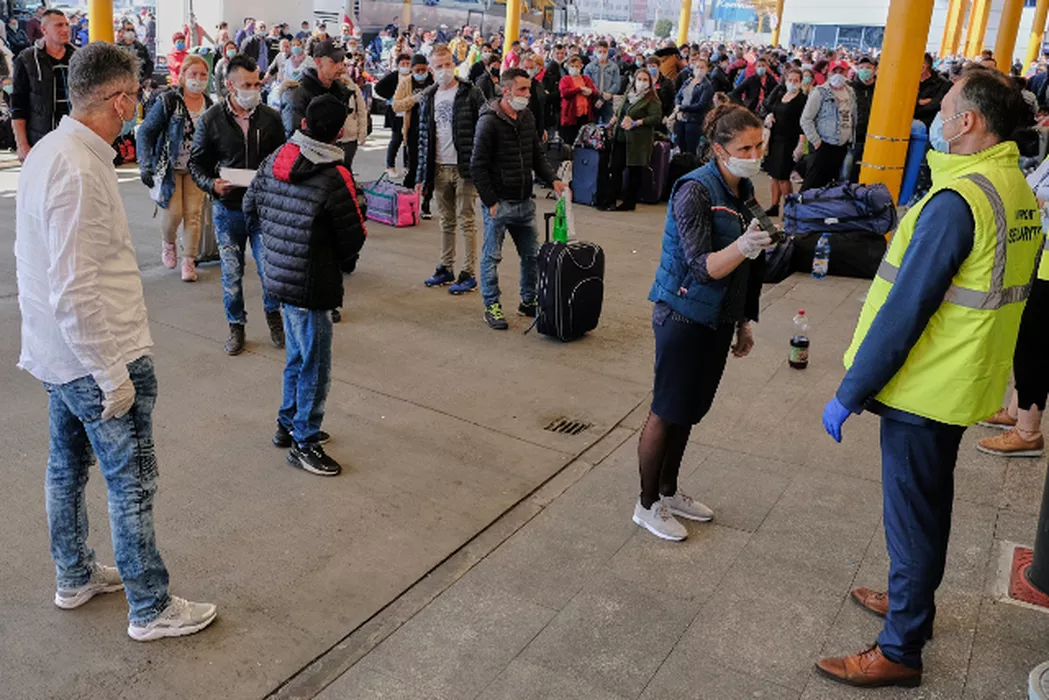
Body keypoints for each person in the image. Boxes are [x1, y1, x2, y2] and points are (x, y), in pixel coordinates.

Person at [817, 69, 1041, 688]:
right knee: (929, 504)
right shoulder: (1014, 188)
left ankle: (900, 649)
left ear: (968, 121)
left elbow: (905, 309)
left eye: (945, 110)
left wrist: (850, 391)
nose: (937, 119)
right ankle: (911, 602)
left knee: (912, 517)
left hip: (927, 385)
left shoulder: (958, 200)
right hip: (964, 377)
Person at [15, 40, 217, 644]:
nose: (137, 107)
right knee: (132, 482)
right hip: (96, 358)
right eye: (135, 97)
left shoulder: (51, 151)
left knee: (67, 468)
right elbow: (75, 290)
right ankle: (150, 607)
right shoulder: (78, 170)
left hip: (59, 355)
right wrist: (112, 375)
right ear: (120, 100)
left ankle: (75, 574)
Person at [637, 103, 768, 541]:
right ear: (718, 149)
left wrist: (742, 320)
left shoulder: (743, 189)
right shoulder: (694, 190)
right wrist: (743, 246)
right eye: (745, 148)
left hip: (717, 317)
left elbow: (749, 266)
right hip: (682, 312)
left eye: (759, 145)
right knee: (666, 410)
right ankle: (646, 504)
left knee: (689, 411)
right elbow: (701, 267)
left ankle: (669, 491)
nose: (755, 154)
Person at [246, 94, 366, 476]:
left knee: (298, 356)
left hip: (278, 275)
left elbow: (250, 207)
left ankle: (288, 424)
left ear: (303, 124)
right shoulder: (336, 175)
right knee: (315, 364)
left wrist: (276, 249)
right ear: (340, 133)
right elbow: (354, 236)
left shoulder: (275, 159)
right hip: (313, 283)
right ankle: (305, 440)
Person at [188, 54, 287, 356]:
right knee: (231, 275)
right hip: (228, 209)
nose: (253, 90)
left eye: (257, 84)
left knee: (270, 271)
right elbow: (196, 164)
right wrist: (212, 184)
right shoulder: (211, 120)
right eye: (247, 85)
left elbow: (282, 160)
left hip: (263, 209)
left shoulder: (270, 118)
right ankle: (236, 326)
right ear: (230, 86)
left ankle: (274, 318)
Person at [471, 68, 567, 331]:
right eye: (522, 89)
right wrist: (491, 202)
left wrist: (553, 179)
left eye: (528, 89)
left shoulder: (527, 117)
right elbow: (477, 166)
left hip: (525, 201)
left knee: (532, 256)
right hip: (499, 203)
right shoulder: (488, 122)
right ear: (506, 91)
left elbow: (536, 155)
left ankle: (528, 300)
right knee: (492, 257)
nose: (527, 94)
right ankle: (492, 305)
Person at [416, 44, 485, 294]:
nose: (444, 70)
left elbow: (484, 129)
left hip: (465, 168)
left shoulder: (471, 92)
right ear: (431, 69)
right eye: (439, 66)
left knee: (467, 221)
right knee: (446, 221)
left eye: (447, 64)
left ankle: (469, 272)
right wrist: (421, 174)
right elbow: (423, 138)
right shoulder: (428, 97)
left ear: (454, 64)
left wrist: (481, 164)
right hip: (438, 167)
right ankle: (446, 267)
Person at [137, 55, 213, 283]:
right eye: (193, 74)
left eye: (203, 75)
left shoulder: (210, 105)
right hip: (169, 167)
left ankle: (188, 260)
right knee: (174, 213)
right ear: (182, 76)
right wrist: (145, 164)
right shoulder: (169, 101)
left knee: (194, 214)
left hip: (196, 168)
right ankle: (169, 242)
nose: (198, 79)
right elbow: (145, 132)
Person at [11, 9, 74, 163]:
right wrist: (22, 144)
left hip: (75, 139)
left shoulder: (78, 58)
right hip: (41, 139)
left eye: (67, 25)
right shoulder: (27, 59)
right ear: (44, 29)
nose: (65, 30)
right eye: (59, 25)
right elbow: (18, 105)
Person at [603, 68, 662, 212]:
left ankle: (629, 202)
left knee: (634, 171)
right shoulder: (628, 94)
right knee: (616, 168)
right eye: (639, 79)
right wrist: (611, 123)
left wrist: (638, 122)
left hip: (638, 140)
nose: (641, 82)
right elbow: (620, 111)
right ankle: (610, 200)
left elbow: (656, 118)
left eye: (645, 80)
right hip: (621, 136)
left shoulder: (652, 99)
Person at [799, 62, 856, 190]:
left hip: (841, 147)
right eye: (834, 71)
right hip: (823, 145)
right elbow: (806, 119)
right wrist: (816, 141)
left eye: (841, 71)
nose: (838, 75)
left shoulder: (850, 92)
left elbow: (852, 116)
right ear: (828, 73)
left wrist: (850, 138)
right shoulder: (820, 92)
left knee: (830, 186)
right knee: (812, 185)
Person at [761, 67, 807, 216]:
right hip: (775, 139)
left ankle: (790, 209)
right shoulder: (781, 94)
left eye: (796, 80)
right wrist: (769, 116)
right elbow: (771, 107)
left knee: (783, 177)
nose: (792, 83)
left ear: (800, 82)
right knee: (773, 176)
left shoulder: (801, 100)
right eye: (790, 80)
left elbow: (803, 123)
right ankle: (774, 206)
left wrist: (801, 143)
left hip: (788, 142)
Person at [392, 53, 435, 215]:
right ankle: (407, 202)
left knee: (430, 168)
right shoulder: (406, 82)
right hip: (413, 130)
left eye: (423, 69)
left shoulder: (435, 80)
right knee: (414, 166)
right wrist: (413, 99)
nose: (421, 73)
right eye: (417, 70)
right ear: (412, 70)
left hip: (432, 129)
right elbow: (396, 105)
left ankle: (426, 202)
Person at [280, 39, 349, 138]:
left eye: (342, 60)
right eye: (334, 61)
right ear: (318, 62)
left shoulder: (341, 90)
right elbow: (293, 135)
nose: (341, 67)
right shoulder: (297, 94)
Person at [374, 52, 411, 178]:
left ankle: (407, 165)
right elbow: (378, 88)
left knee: (408, 140)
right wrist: (391, 97)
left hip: (410, 112)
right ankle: (390, 166)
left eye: (407, 63)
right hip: (396, 113)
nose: (405, 66)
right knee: (396, 139)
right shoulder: (394, 76)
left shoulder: (413, 76)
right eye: (402, 64)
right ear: (398, 65)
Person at [674, 57, 714, 155]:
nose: (699, 70)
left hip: (695, 120)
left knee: (691, 149)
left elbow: (701, 105)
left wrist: (682, 108)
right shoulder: (688, 81)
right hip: (681, 118)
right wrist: (678, 105)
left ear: (707, 69)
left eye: (702, 67)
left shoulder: (707, 86)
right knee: (680, 145)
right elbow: (678, 96)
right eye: (697, 67)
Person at [847, 56, 877, 183]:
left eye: (868, 67)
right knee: (847, 172)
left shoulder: (880, 89)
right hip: (853, 137)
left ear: (875, 69)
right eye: (862, 67)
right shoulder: (850, 88)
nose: (865, 70)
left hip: (873, 137)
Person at [558, 54, 596, 147]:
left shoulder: (586, 79)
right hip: (571, 114)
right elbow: (564, 93)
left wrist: (590, 91)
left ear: (581, 67)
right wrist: (579, 89)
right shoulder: (565, 79)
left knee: (583, 140)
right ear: (568, 67)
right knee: (570, 139)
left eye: (577, 66)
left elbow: (595, 91)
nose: (575, 68)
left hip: (585, 113)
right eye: (572, 66)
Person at [584, 40, 620, 123]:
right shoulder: (589, 67)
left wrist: (609, 93)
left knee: (609, 124)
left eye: (604, 51)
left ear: (608, 51)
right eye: (600, 52)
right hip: (593, 100)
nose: (602, 54)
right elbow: (587, 83)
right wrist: (597, 94)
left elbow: (616, 83)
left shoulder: (614, 66)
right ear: (596, 51)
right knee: (592, 124)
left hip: (608, 100)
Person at [915, 53, 950, 128]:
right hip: (910, 117)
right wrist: (918, 101)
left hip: (927, 122)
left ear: (924, 67)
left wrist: (913, 106)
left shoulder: (943, 84)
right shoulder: (910, 80)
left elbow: (933, 106)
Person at [521, 53, 548, 141]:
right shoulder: (515, 86)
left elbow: (541, 108)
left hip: (536, 126)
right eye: (526, 68)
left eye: (531, 68)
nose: (529, 71)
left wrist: (542, 128)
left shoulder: (538, 85)